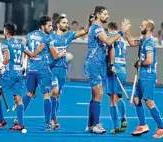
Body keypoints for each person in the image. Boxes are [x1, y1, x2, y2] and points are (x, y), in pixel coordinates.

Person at [84, 6, 131, 134]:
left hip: (100, 65)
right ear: (98, 15)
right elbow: (109, 41)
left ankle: (90, 124)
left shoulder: (100, 29)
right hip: (94, 64)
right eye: (105, 14)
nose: (107, 16)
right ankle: (96, 124)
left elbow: (110, 46)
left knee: (95, 95)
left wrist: (110, 64)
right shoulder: (97, 28)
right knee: (98, 93)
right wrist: (121, 32)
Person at [0, 23, 44, 131]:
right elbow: (32, 55)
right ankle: (20, 124)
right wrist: (38, 50)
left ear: (6, 31)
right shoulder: (20, 44)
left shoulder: (5, 43)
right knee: (18, 99)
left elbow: (6, 59)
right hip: (19, 74)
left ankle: (1, 120)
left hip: (9, 74)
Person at [49, 14, 94, 129]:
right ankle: (53, 119)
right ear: (58, 24)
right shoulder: (50, 37)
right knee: (55, 91)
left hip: (63, 69)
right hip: (51, 69)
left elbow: (84, 31)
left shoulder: (68, 36)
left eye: (67, 23)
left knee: (57, 95)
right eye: (64, 23)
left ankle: (52, 116)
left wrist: (89, 21)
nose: (66, 25)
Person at [21, 15, 65, 131]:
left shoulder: (29, 35)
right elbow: (55, 55)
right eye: (49, 26)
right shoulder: (48, 38)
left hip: (31, 69)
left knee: (29, 93)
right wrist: (61, 54)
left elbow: (21, 46)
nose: (51, 28)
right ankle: (47, 124)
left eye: (51, 25)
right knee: (46, 95)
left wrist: (28, 57)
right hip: (43, 70)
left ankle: (19, 119)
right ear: (42, 26)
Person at [125, 19, 163, 138]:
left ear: (149, 28)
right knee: (136, 99)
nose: (140, 26)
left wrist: (140, 63)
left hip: (148, 76)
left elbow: (149, 60)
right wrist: (126, 32)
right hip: (142, 75)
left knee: (149, 102)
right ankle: (143, 125)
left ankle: (161, 127)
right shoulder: (143, 40)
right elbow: (131, 42)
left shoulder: (150, 43)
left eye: (143, 25)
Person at [106, 22, 127, 134]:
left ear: (109, 29)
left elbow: (111, 50)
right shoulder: (122, 40)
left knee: (112, 99)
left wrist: (112, 65)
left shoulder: (110, 36)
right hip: (123, 69)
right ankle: (123, 118)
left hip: (113, 69)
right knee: (119, 96)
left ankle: (115, 126)